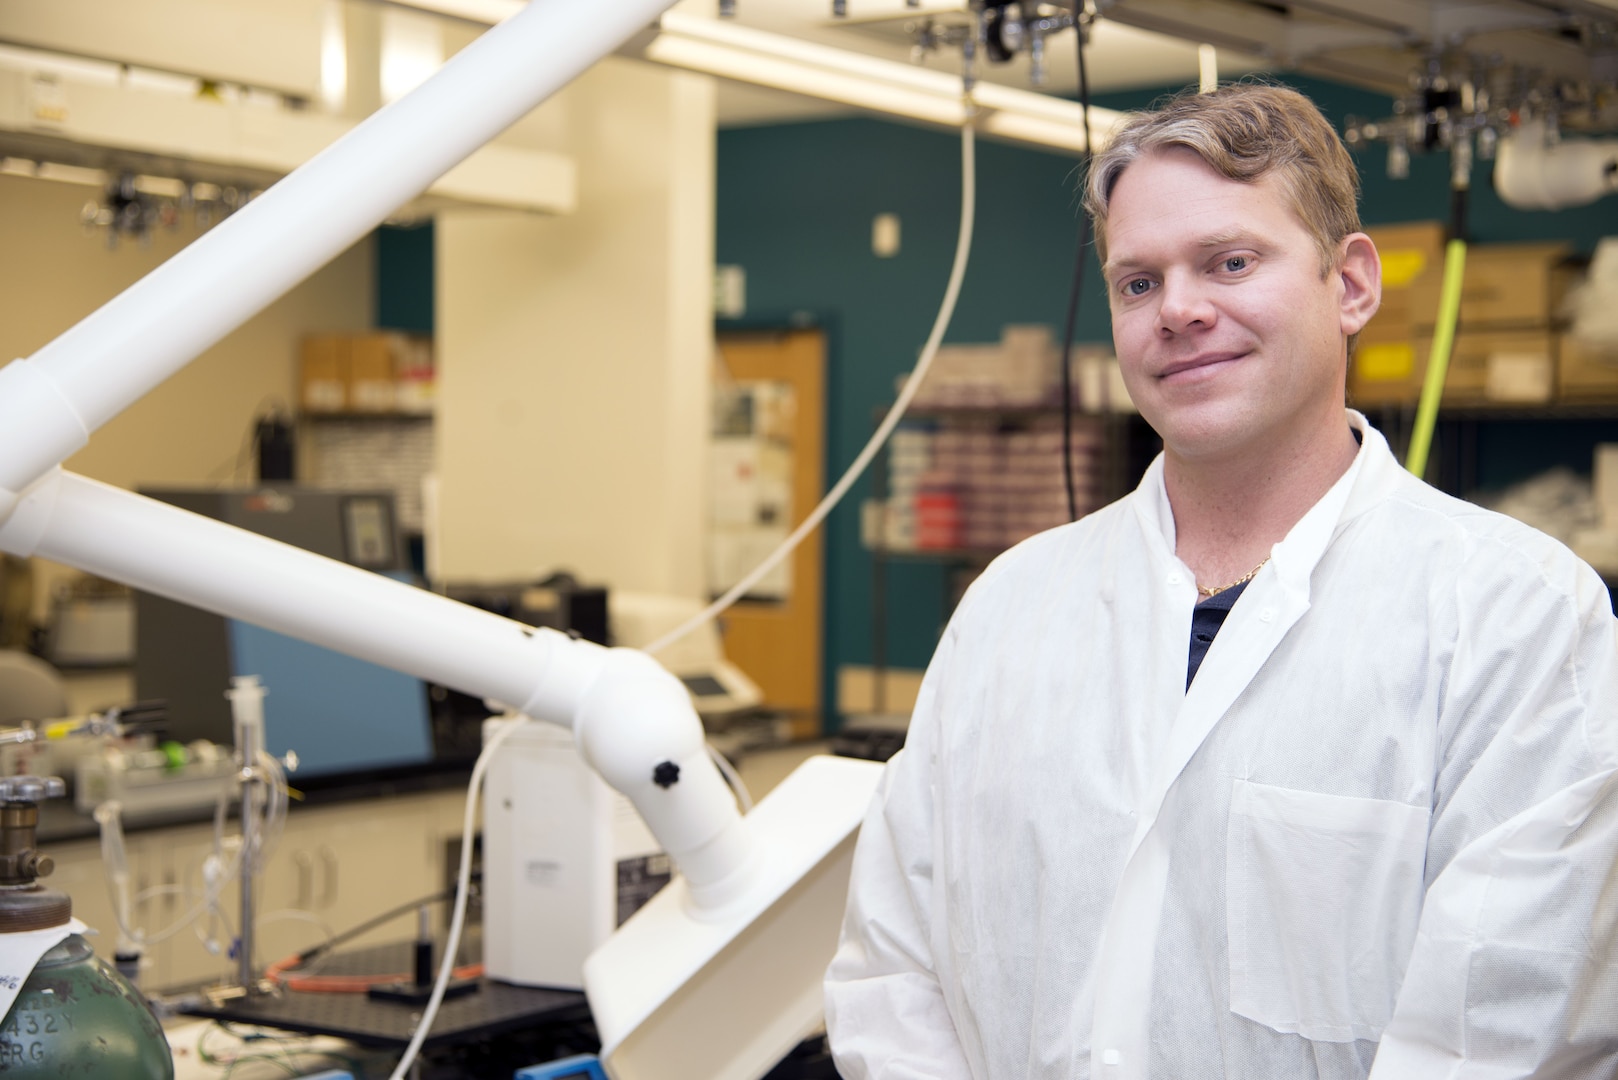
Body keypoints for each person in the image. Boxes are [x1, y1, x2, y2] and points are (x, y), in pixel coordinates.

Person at [823, 82, 1618, 1079]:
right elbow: (892, 975)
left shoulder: (1513, 615)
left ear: (1351, 285)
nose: (1180, 310)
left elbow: (1503, 1031)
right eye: (1137, 283)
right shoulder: (1009, 608)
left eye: (1230, 262)